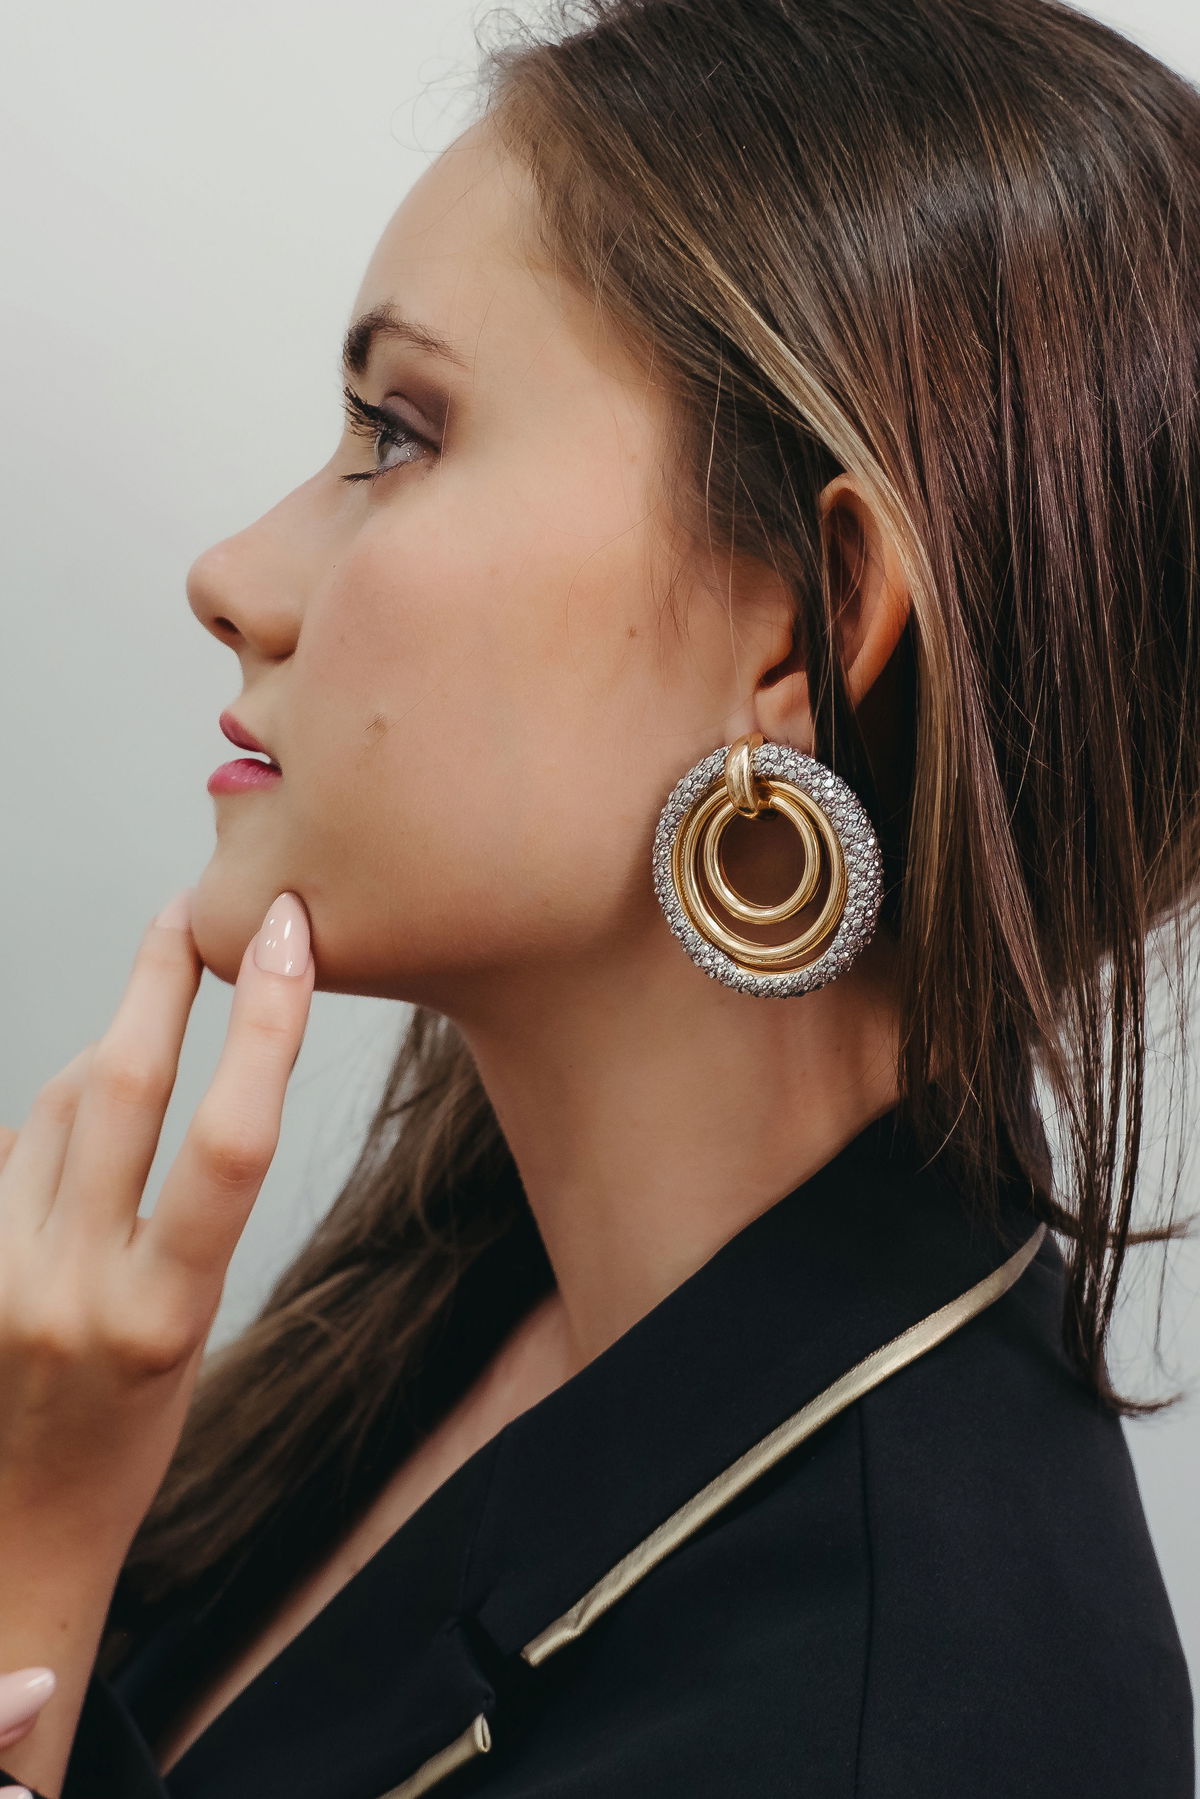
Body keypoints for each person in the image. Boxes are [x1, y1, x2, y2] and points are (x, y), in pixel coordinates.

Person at [1, 0, 1197, 1792]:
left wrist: (29, 1553)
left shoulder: (912, 1726)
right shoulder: (474, 1267)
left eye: (401, 432)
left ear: (804, 624)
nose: (232, 576)